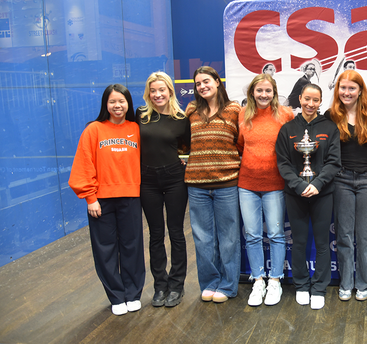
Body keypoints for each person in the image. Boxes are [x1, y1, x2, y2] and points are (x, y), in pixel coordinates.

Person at [69, 84, 145, 316]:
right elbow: (83, 164)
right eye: (112, 102)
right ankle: (116, 296)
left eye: (121, 101)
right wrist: (90, 197)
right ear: (106, 105)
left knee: (132, 247)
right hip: (101, 200)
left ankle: (133, 294)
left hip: (131, 196)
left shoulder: (137, 128)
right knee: (105, 249)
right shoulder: (94, 130)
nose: (117, 106)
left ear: (128, 103)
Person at [275, 83, 341, 310]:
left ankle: (319, 287)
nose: (311, 104)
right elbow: (283, 163)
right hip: (295, 194)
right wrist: (298, 185)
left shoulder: (330, 128)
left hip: (323, 194)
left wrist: (318, 184)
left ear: (321, 101)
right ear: (300, 98)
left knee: (323, 242)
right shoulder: (287, 129)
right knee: (300, 242)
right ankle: (301, 285)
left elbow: (334, 162)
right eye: (307, 99)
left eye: (316, 100)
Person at [185, 66, 242, 303]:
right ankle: (209, 283)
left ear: (217, 82)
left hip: (227, 183)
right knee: (203, 238)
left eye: (206, 81)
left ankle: (228, 285)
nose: (202, 86)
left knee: (228, 237)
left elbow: (242, 142)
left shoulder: (234, 109)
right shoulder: (191, 111)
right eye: (198, 83)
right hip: (196, 185)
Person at [237, 74, 294, 307]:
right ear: (252, 92)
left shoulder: (285, 114)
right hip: (248, 184)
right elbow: (241, 145)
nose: (263, 95)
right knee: (251, 235)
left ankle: (275, 280)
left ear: (274, 92)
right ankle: (258, 279)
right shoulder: (243, 115)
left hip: (276, 184)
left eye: (268, 91)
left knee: (276, 234)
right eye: (259, 91)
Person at [136, 72, 190, 308]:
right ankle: (160, 285)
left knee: (176, 233)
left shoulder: (181, 118)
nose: (157, 95)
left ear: (170, 91)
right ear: (148, 93)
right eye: (153, 91)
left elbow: (187, 147)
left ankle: (177, 285)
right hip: (147, 181)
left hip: (174, 179)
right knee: (156, 235)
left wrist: (184, 159)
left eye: (162, 90)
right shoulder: (140, 116)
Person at [324, 70, 367, 302]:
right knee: (344, 235)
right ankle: (346, 282)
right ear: (338, 90)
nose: (346, 92)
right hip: (342, 179)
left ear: (360, 90)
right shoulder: (330, 115)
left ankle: (364, 283)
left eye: (351, 88)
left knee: (366, 236)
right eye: (342, 88)